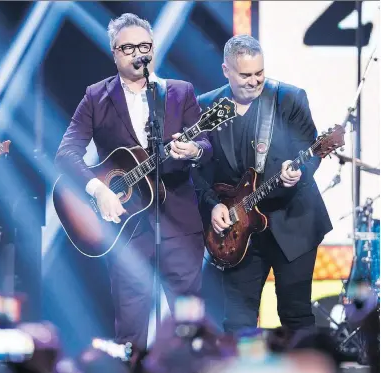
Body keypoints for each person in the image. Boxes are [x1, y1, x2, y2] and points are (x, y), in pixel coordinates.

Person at [55, 13, 212, 349]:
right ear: (114, 52)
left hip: (179, 226)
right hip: (126, 230)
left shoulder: (179, 92)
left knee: (189, 328)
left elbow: (207, 146)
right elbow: (66, 153)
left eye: (145, 46)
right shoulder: (97, 96)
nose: (139, 53)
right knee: (130, 330)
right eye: (129, 47)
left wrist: (193, 151)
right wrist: (98, 189)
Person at [193, 35, 332, 333]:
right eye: (245, 75)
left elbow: (311, 151)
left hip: (292, 223)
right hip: (238, 231)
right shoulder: (206, 107)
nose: (254, 81)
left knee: (295, 315)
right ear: (225, 70)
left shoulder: (289, 98)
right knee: (238, 322)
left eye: (260, 73)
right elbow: (197, 170)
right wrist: (212, 204)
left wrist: (298, 172)